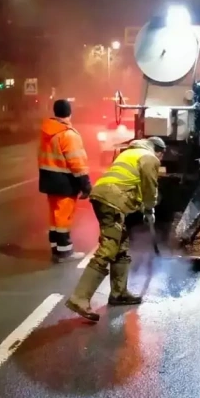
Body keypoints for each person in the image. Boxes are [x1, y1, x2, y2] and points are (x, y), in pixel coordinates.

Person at [65, 136, 166, 322]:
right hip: (113, 201)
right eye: (161, 156)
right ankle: (80, 297)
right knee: (108, 248)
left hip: (104, 196)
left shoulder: (129, 153)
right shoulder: (150, 157)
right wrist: (149, 210)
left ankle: (119, 293)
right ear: (159, 151)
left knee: (121, 245)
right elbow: (150, 187)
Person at [37, 99, 91, 263]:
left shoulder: (47, 131)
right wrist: (85, 184)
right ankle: (65, 252)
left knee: (54, 217)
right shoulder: (68, 134)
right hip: (64, 182)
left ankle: (56, 248)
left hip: (49, 179)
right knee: (63, 218)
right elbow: (77, 162)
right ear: (69, 112)